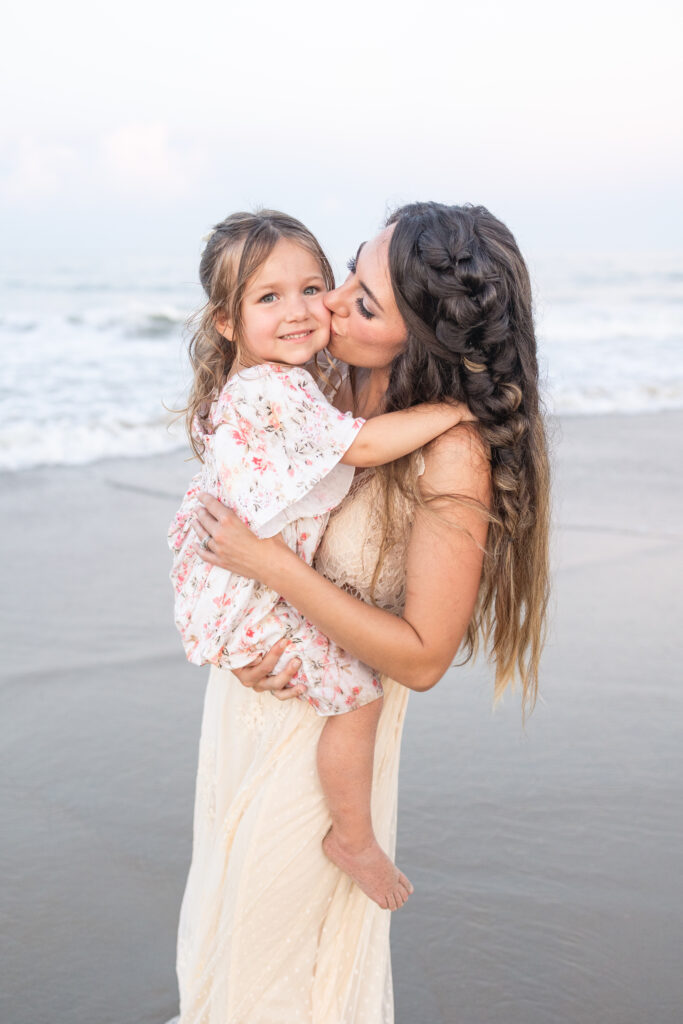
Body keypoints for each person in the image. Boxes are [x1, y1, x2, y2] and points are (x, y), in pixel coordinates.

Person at [167, 202, 551, 1024]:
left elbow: (419, 659)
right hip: (254, 700)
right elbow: (229, 514)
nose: (329, 303)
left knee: (279, 969)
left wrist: (265, 567)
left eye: (362, 300)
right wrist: (234, 619)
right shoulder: (317, 383)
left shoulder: (448, 451)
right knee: (228, 942)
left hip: (327, 736)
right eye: (344, 272)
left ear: (424, 336)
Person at [168, 210, 473, 911]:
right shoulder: (273, 392)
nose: (304, 311)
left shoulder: (286, 382)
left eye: (314, 287)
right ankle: (353, 839)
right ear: (224, 322)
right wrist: (452, 413)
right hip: (249, 593)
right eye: (268, 298)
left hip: (245, 591)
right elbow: (360, 446)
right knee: (359, 696)